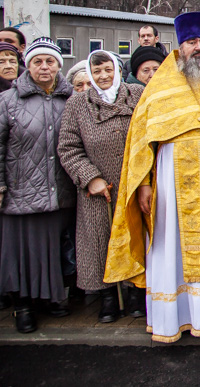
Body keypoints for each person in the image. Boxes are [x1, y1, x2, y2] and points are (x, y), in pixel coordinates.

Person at [104, 12, 200, 343]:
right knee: (170, 242)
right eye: (192, 42)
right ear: (180, 45)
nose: (199, 48)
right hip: (172, 179)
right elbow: (144, 141)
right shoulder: (161, 84)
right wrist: (144, 184)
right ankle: (173, 317)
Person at [58, 50, 145, 323]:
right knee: (100, 241)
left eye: (108, 69)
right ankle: (108, 297)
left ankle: (135, 292)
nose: (103, 76)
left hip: (134, 182)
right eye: (97, 72)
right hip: (99, 188)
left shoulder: (137, 95)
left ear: (117, 69)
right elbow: (68, 147)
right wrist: (90, 178)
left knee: (135, 237)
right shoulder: (78, 104)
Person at [0, 38, 75, 333]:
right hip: (21, 190)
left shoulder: (71, 99)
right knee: (21, 254)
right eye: (37, 62)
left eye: (50, 62)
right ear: (27, 65)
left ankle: (52, 298)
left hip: (60, 189)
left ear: (59, 65)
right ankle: (23, 306)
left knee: (54, 249)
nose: (44, 67)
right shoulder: (8, 100)